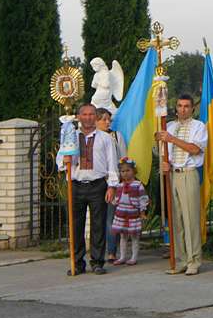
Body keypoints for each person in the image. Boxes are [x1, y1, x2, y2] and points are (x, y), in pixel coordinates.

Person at [56, 102, 119, 275]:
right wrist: (65, 161)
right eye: (84, 114)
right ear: (78, 117)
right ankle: (77, 262)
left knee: (98, 224)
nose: (88, 118)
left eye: (92, 114)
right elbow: (60, 161)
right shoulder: (70, 136)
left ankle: (97, 261)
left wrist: (112, 185)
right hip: (76, 185)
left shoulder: (105, 138)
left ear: (95, 117)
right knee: (75, 224)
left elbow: (112, 162)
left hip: (98, 184)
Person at [155, 93, 208, 276]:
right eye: (179, 106)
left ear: (192, 108)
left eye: (186, 106)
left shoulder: (198, 127)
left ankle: (194, 259)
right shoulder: (169, 126)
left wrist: (172, 139)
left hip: (188, 173)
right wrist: (164, 163)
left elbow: (194, 149)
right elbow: (163, 151)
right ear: (175, 108)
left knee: (190, 218)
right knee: (176, 220)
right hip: (173, 174)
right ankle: (181, 258)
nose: (182, 109)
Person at [96, 108, 126, 262]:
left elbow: (123, 159)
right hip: (96, 182)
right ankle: (97, 249)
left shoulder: (116, 136)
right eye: (104, 119)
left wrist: (119, 180)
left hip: (112, 182)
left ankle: (111, 250)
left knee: (110, 217)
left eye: (109, 119)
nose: (107, 122)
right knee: (97, 218)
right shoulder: (92, 137)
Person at [110, 157, 149, 266]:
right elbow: (116, 199)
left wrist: (142, 212)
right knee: (123, 236)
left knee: (135, 236)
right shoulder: (119, 185)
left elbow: (143, 199)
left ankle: (134, 257)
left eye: (128, 170)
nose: (125, 173)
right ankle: (122, 257)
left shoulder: (138, 185)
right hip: (121, 214)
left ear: (134, 171)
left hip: (133, 214)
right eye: (123, 171)